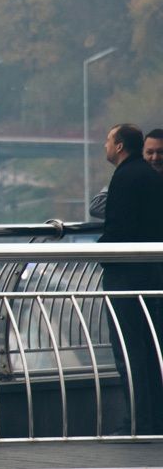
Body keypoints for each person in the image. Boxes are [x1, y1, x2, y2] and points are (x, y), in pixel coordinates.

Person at [97, 123, 163, 435]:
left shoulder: (126, 178)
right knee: (149, 349)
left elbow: (119, 229)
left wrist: (100, 254)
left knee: (129, 349)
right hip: (149, 273)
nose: (106, 147)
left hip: (127, 275)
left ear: (120, 146)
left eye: (109, 141)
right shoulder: (148, 176)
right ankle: (151, 420)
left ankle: (138, 422)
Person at [90, 128, 163, 219]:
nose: (155, 157)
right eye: (150, 152)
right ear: (142, 154)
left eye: (161, 152)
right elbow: (97, 206)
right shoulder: (132, 178)